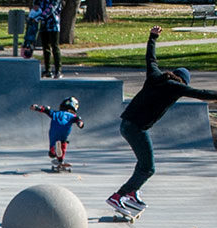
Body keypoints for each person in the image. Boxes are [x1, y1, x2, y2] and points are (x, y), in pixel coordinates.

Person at [108, 26, 217, 216]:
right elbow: (201, 94)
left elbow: (150, 57)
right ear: (183, 81)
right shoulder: (176, 87)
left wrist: (153, 37)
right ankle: (120, 195)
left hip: (126, 124)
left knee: (143, 163)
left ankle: (132, 192)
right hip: (136, 128)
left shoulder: (155, 75)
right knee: (148, 168)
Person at [31, 96, 82, 172]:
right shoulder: (72, 116)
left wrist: (36, 107)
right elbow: (78, 119)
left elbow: (46, 110)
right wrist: (80, 123)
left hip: (54, 133)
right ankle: (60, 160)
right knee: (63, 144)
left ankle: (53, 150)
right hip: (64, 133)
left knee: (52, 153)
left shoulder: (56, 113)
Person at [30, 0, 61, 78]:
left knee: (55, 46)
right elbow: (36, 6)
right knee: (45, 47)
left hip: (53, 25)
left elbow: (50, 9)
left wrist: (38, 18)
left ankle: (58, 70)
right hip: (43, 25)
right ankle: (48, 70)